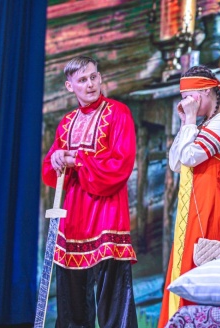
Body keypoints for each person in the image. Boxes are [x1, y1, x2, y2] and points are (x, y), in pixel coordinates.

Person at [42, 56, 138, 328]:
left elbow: (120, 164)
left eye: (93, 77)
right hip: (74, 219)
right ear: (69, 86)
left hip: (107, 215)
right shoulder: (67, 122)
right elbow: (49, 170)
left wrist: (78, 159)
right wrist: (58, 158)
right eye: (82, 80)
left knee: (113, 303)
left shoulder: (118, 113)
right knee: (72, 306)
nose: (90, 84)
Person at [158, 66, 220, 327]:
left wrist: (190, 122)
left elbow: (189, 157)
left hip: (213, 209)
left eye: (190, 97)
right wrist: (187, 122)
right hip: (193, 209)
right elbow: (176, 163)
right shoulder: (205, 123)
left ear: (206, 91)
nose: (186, 103)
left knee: (204, 271)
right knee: (184, 268)